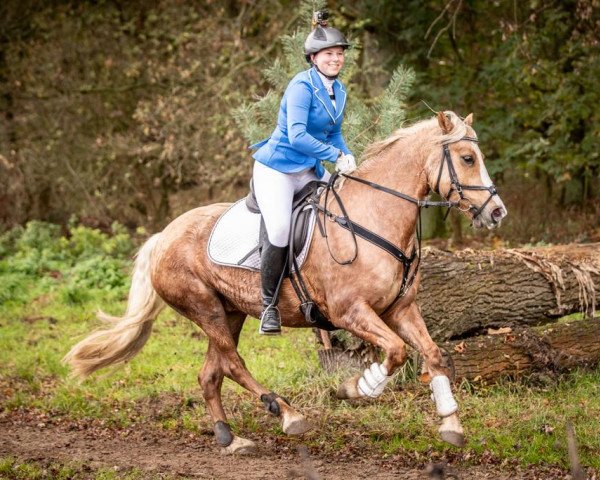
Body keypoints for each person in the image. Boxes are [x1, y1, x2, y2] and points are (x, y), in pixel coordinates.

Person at [250, 12, 357, 335]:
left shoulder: (339, 91)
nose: (335, 59)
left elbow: (333, 133)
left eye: (339, 54)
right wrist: (334, 156)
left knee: (343, 212)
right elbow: (297, 135)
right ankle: (269, 305)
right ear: (313, 58)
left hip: (308, 169)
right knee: (281, 229)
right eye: (329, 54)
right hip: (277, 169)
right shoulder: (301, 86)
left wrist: (347, 154)